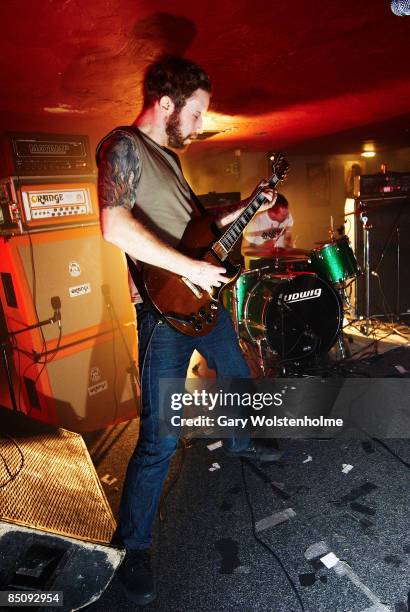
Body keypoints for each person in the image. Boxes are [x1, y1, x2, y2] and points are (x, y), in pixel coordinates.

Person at [96, 55, 281, 606]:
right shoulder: (124, 144)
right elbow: (113, 223)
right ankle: (131, 548)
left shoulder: (170, 163)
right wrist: (190, 268)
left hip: (202, 300)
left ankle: (243, 440)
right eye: (196, 113)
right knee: (159, 438)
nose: (200, 125)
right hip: (166, 312)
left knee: (238, 371)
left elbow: (198, 228)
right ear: (167, 103)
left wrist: (249, 207)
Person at [241, 193, 293, 268]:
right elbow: (243, 250)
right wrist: (262, 248)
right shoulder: (255, 222)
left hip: (280, 260)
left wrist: (289, 245)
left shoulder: (287, 216)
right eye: (283, 215)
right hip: (260, 263)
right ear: (273, 212)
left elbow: (288, 235)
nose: (287, 216)